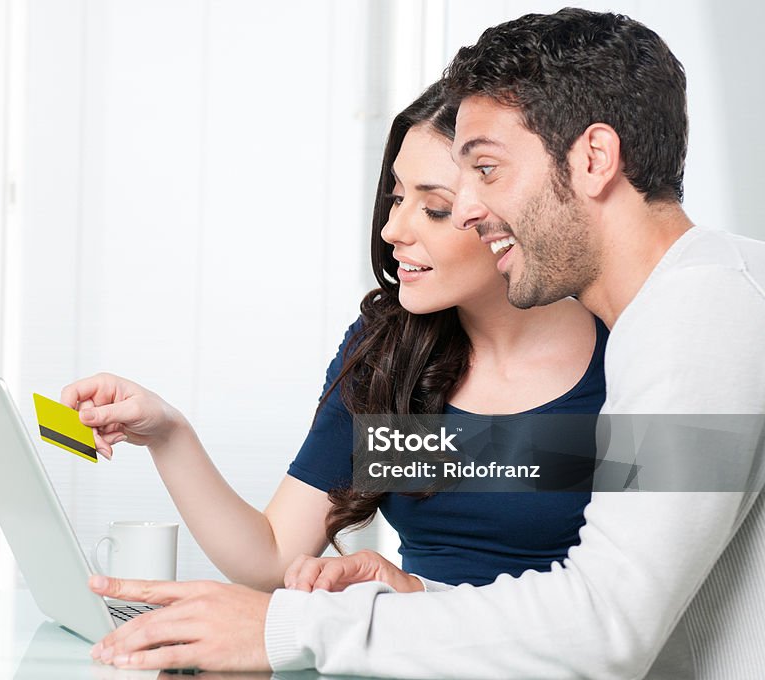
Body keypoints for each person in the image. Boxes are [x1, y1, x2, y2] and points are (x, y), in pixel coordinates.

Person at [85, 8, 765, 678]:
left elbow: (606, 630)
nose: (468, 208)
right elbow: (619, 621)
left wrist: (290, 628)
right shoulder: (686, 308)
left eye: (487, 172)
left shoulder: (699, 315)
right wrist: (411, 602)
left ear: (594, 158)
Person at [61, 80, 605, 596]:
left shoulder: (628, 358)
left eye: (434, 208)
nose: (394, 229)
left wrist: (421, 599)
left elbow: (628, 615)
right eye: (397, 198)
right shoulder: (391, 351)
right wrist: (168, 432)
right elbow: (274, 558)